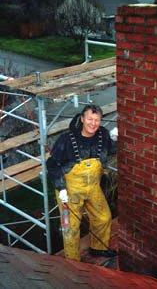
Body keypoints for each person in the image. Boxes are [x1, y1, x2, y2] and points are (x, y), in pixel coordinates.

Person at [46, 104, 118, 261]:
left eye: (97, 120)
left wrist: (116, 138)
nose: (93, 123)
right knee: (70, 228)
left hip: (92, 187)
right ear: (82, 119)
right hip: (70, 192)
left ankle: (98, 248)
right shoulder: (66, 139)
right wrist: (61, 188)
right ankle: (73, 261)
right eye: (90, 119)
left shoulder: (103, 134)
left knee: (103, 217)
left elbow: (110, 150)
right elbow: (52, 165)